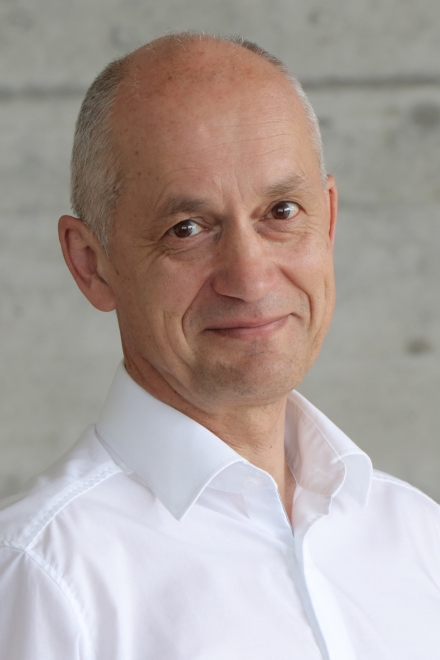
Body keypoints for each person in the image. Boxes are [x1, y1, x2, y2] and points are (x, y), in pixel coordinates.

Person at [0, 32, 439, 660]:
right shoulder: (40, 577)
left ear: (328, 219)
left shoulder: (419, 538)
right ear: (92, 264)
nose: (251, 278)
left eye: (281, 212)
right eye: (187, 229)